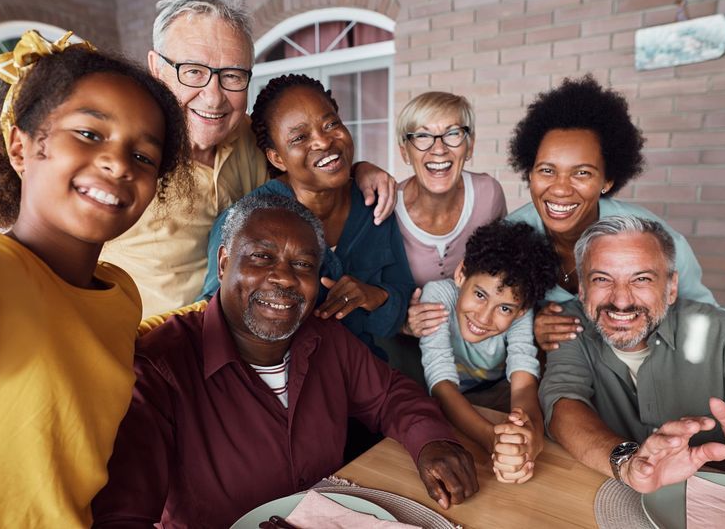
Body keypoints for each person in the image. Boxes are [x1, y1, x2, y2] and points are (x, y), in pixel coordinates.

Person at [91, 194, 479, 528]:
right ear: (225, 263)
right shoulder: (160, 367)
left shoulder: (325, 337)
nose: (285, 278)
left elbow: (390, 395)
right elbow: (122, 514)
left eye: (303, 265)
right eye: (261, 256)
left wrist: (431, 440)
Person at [0, 31, 191, 526]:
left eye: (143, 156)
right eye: (89, 134)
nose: (118, 162)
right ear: (21, 147)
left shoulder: (120, 294)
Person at [101, 0, 397, 317]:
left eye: (232, 76)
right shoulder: (115, 157)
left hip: (245, 341)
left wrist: (359, 171)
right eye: (193, 71)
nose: (213, 97)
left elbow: (306, 166)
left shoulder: (249, 137)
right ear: (157, 68)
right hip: (140, 349)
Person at [200, 74, 414, 359]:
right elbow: (213, 322)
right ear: (276, 157)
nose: (324, 142)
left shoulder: (373, 203)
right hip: (280, 383)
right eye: (300, 137)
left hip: (364, 370)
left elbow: (401, 301)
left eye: (331, 124)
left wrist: (374, 297)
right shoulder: (245, 222)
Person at [505, 75, 717, 352]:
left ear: (607, 181)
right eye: (547, 170)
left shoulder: (653, 239)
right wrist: (528, 329)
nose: (559, 189)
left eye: (582, 173)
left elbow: (706, 321)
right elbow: (482, 325)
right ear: (529, 174)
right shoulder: (508, 239)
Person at [539, 216, 725, 493]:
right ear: (583, 290)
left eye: (641, 279)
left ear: (671, 287)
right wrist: (628, 463)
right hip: (602, 492)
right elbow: (563, 403)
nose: (621, 301)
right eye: (602, 279)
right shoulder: (569, 323)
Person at [420, 220, 559, 484]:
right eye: (480, 294)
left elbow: (522, 384)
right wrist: (490, 438)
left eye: (505, 308)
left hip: (495, 392)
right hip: (450, 396)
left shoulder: (523, 314)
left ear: (521, 311)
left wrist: (526, 436)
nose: (484, 317)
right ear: (461, 274)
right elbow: (441, 385)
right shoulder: (438, 296)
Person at [395, 91, 507, 337]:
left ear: (470, 145)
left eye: (453, 134)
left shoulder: (488, 194)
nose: (439, 149)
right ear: (405, 152)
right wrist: (402, 323)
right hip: (409, 345)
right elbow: (371, 292)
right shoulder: (386, 207)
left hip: (477, 343)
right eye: (422, 136)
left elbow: (505, 271)